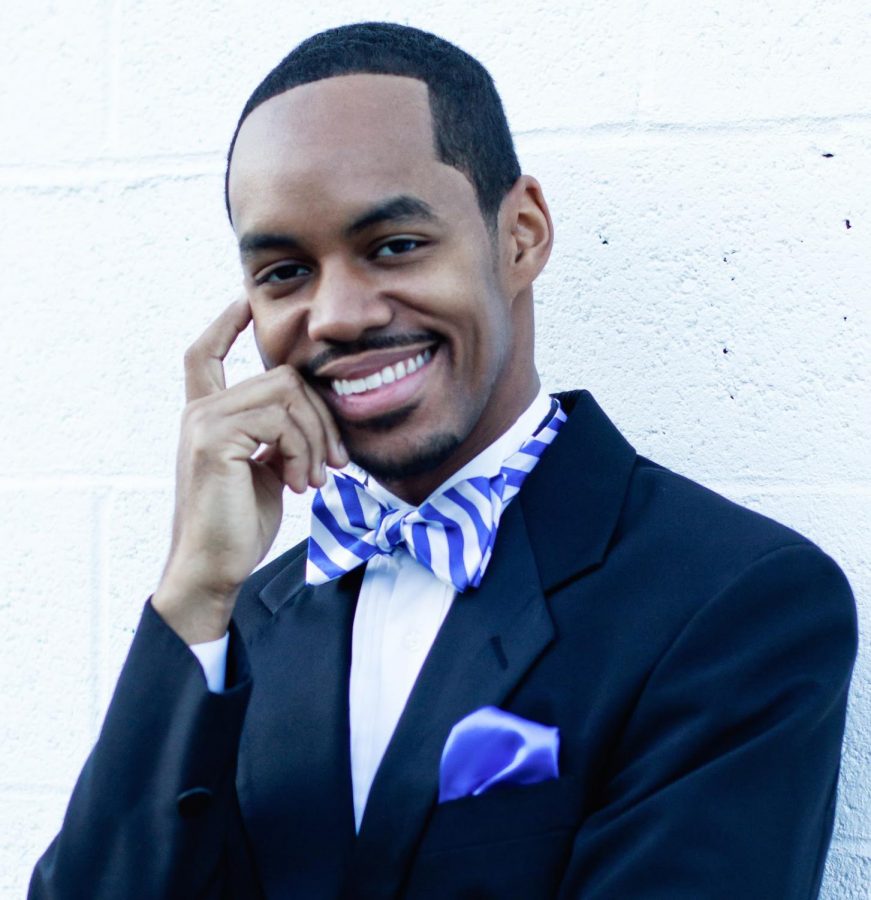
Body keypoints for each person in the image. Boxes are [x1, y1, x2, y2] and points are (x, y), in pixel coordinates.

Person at [30, 22, 857, 900]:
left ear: (521, 236)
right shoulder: (244, 630)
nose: (338, 315)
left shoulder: (734, 601)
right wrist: (194, 591)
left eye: (393, 246)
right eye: (283, 272)